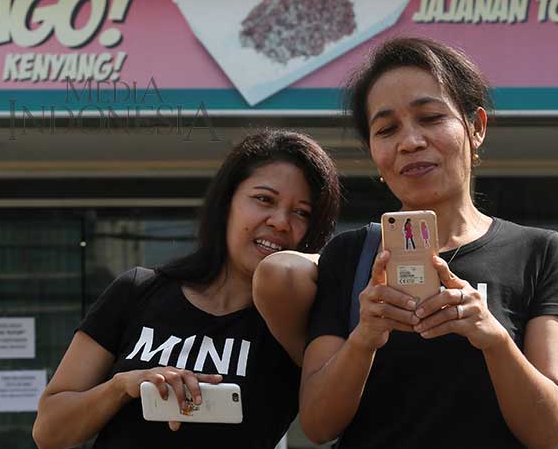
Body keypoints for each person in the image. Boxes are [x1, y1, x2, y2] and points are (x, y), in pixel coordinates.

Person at [296, 36, 558, 448]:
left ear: (476, 127)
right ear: (374, 152)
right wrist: (365, 337)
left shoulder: (538, 252)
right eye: (387, 129)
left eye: (430, 117)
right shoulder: (349, 255)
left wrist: (493, 337)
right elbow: (318, 425)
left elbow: (547, 431)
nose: (410, 141)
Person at [31, 129, 340, 449]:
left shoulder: (297, 325)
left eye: (301, 212)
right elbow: (49, 431)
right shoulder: (136, 290)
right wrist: (123, 386)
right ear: (227, 202)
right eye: (264, 199)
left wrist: (324, 265)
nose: (280, 221)